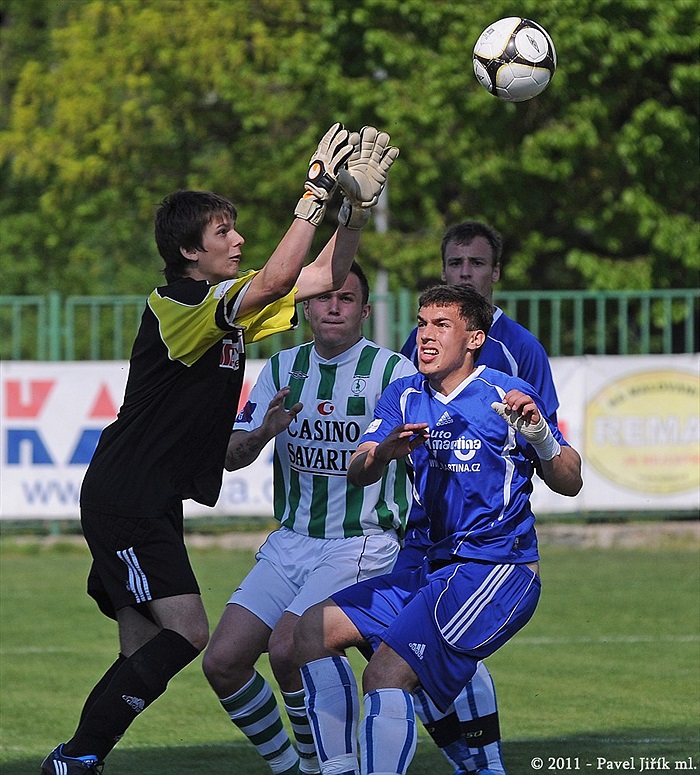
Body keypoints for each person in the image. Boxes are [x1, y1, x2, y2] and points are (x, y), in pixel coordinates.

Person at [40, 122, 399, 775]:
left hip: (141, 496)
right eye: (223, 234)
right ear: (188, 252)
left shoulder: (224, 306)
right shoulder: (179, 302)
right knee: (191, 634)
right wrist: (314, 192)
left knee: (143, 653)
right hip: (128, 495)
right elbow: (275, 279)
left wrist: (353, 213)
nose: (238, 240)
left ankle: (76, 759)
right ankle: (76, 757)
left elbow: (324, 275)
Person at [294, 284, 583, 775]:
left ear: (474, 339)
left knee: (386, 674)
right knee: (311, 631)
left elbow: (570, 480)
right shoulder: (404, 395)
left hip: (496, 570)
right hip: (434, 569)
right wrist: (383, 452)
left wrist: (537, 434)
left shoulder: (502, 395)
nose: (425, 336)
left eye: (441, 326)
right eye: (422, 324)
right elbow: (359, 467)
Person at [201, 261, 416, 775]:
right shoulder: (280, 369)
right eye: (324, 297)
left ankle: (324, 763)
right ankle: (291, 766)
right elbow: (232, 454)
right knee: (222, 662)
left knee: (287, 647)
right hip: (292, 539)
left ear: (365, 310)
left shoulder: (394, 372)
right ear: (307, 306)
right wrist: (262, 434)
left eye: (346, 298)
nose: (334, 306)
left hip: (360, 541)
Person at [397, 221, 560, 775]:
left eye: (476, 264)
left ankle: (483, 764)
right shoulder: (421, 346)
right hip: (422, 539)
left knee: (407, 663)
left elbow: (552, 450)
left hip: (487, 549)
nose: (465, 273)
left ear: (496, 272)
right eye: (454, 264)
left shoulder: (520, 352)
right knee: (397, 655)